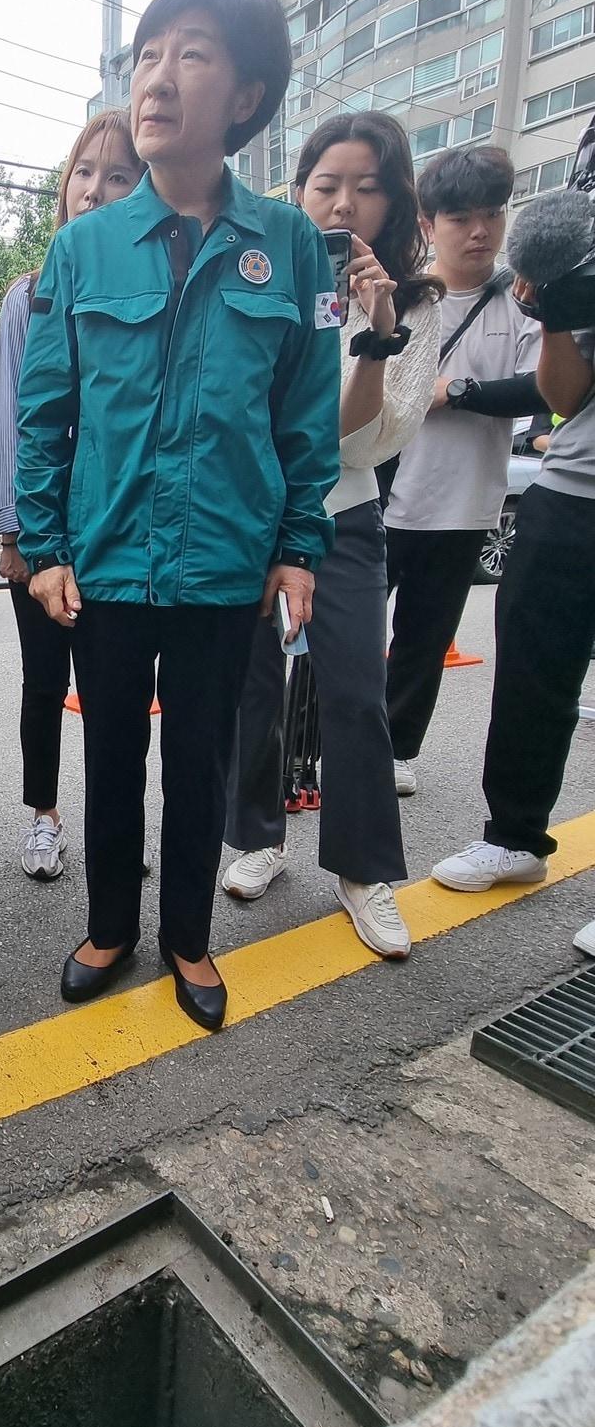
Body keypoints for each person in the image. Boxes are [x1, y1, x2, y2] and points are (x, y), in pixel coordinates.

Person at [17, 0, 340, 1028]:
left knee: (199, 761)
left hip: (221, 563)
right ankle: (111, 923)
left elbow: (303, 408)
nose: (156, 79)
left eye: (189, 54)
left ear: (244, 96)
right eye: (147, 55)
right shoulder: (82, 246)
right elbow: (45, 411)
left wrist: (296, 544)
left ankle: (188, 940)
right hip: (105, 561)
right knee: (110, 753)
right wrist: (44, 543)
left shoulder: (285, 244)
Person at [223, 112, 443, 958]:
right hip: (251, 512)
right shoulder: (262, 275)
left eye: (367, 185)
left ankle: (362, 870)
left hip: (342, 510)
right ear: (299, 190)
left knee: (353, 690)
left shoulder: (415, 307)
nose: (344, 202)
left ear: (394, 200)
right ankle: (260, 837)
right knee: (254, 687)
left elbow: (361, 438)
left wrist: (377, 333)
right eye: (326, 184)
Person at [0, 109, 141, 880]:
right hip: (46, 528)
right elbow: (13, 413)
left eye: (118, 176)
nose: (95, 190)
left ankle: (119, 826)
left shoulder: (162, 291)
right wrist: (16, 534)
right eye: (83, 172)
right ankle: (42, 818)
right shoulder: (31, 292)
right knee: (45, 680)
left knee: (118, 693)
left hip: (120, 529)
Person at [382, 145, 541, 795]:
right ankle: (311, 744)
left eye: (492, 215)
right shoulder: (406, 296)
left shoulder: (523, 303)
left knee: (424, 638)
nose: (480, 231)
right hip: (386, 498)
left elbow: (547, 389)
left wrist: (458, 392)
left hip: (465, 504)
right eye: (460, 218)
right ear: (428, 224)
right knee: (342, 635)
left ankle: (394, 750)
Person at [430, 294, 595, 893]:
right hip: (570, 487)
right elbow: (564, 398)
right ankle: (515, 836)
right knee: (532, 676)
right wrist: (556, 304)